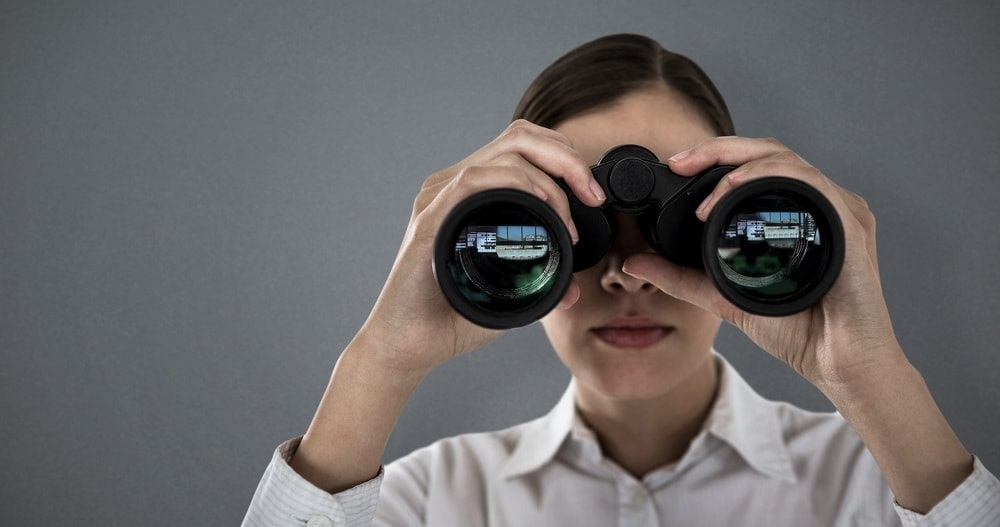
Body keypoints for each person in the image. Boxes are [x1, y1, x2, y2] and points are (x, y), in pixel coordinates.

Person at [242, 34, 999, 526]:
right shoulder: (431, 499)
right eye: (576, 232)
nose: (631, 279)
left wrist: (870, 375)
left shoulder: (882, 486)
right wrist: (383, 355)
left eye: (684, 233)